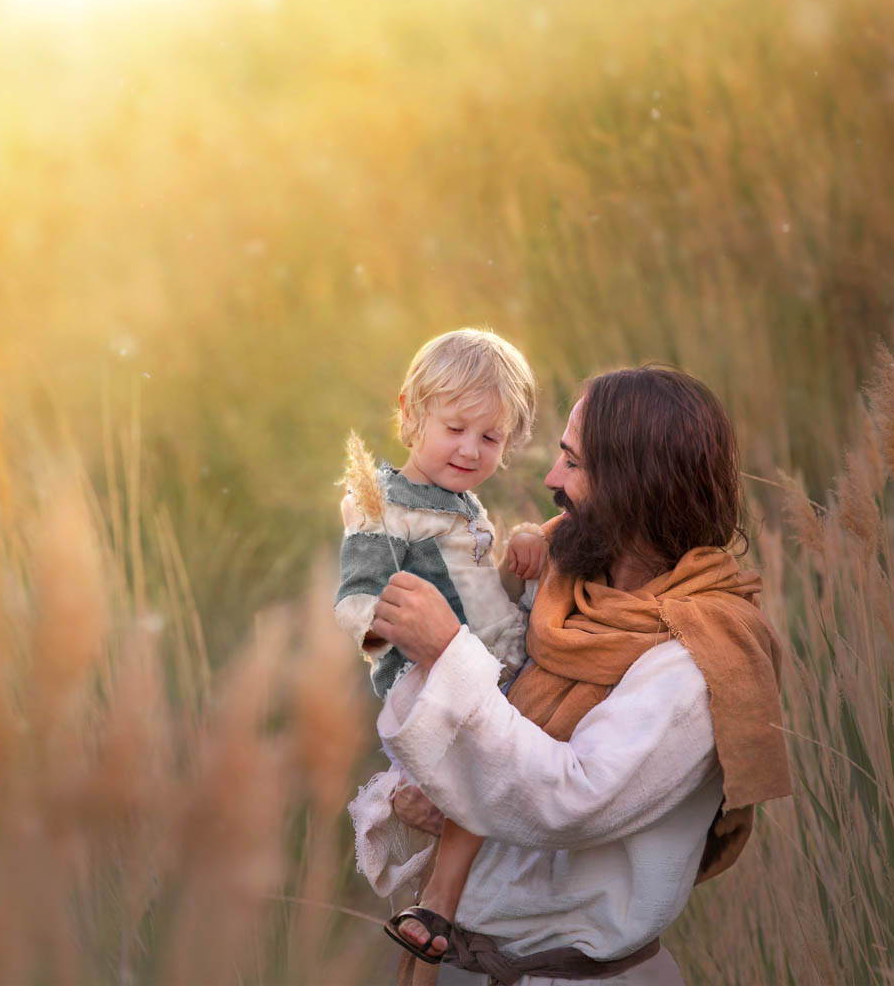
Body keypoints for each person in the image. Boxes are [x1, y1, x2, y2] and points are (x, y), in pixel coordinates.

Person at [355, 365, 792, 985]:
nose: (551, 479)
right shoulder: (560, 586)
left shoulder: (700, 657)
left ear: (636, 486)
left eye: (573, 462)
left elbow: (570, 800)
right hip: (460, 966)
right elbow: (494, 721)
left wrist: (447, 651)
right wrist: (424, 789)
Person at [335, 329, 551, 961]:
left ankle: (465, 890)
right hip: (430, 682)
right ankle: (440, 897)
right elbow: (355, 602)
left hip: (481, 667)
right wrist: (403, 634)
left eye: (490, 438)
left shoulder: (465, 506)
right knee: (485, 770)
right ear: (410, 412)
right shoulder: (384, 505)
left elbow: (480, 598)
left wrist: (523, 550)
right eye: (455, 427)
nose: (469, 449)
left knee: (512, 765)